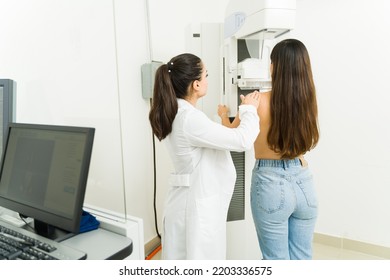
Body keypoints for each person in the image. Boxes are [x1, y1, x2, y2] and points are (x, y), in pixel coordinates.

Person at [149, 53, 261, 260]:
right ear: (196, 85)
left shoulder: (177, 113)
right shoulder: (189, 119)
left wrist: (228, 118)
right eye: (206, 75)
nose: (207, 80)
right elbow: (242, 141)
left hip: (186, 203)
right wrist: (249, 109)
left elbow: (213, 137)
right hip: (194, 210)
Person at [218, 39, 319, 259]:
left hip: (271, 184)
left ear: (274, 66)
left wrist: (224, 114)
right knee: (303, 258)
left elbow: (231, 135)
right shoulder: (308, 100)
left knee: (275, 262)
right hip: (304, 183)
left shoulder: (257, 100)